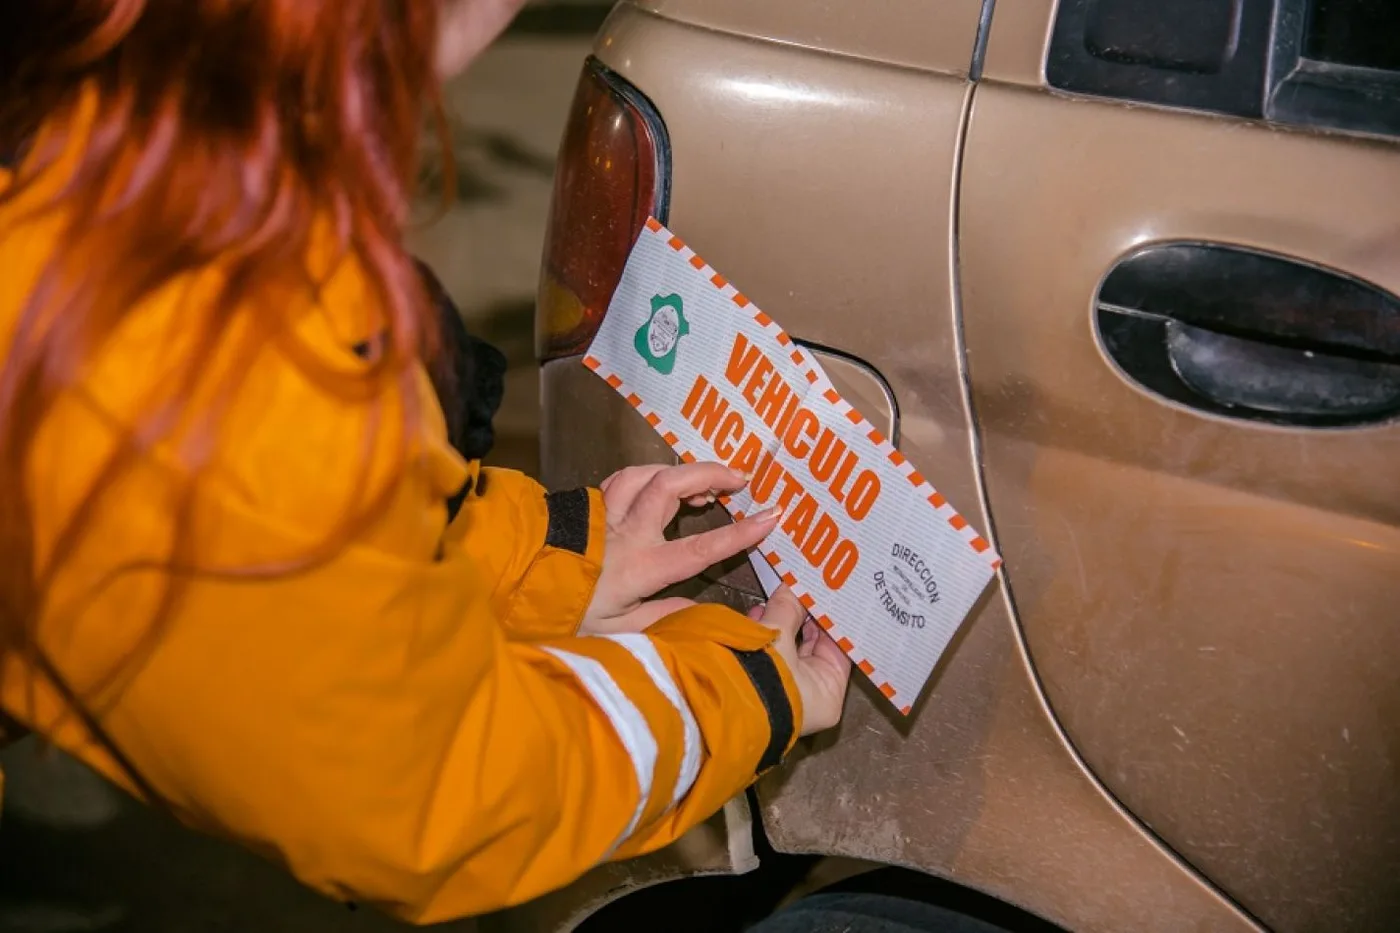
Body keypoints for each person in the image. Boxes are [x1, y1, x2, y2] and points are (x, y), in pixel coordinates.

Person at [0, 0, 850, 924]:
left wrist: (550, 565)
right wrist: (743, 686)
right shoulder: (192, 340)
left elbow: (296, 559)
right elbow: (434, 788)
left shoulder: (100, 145)